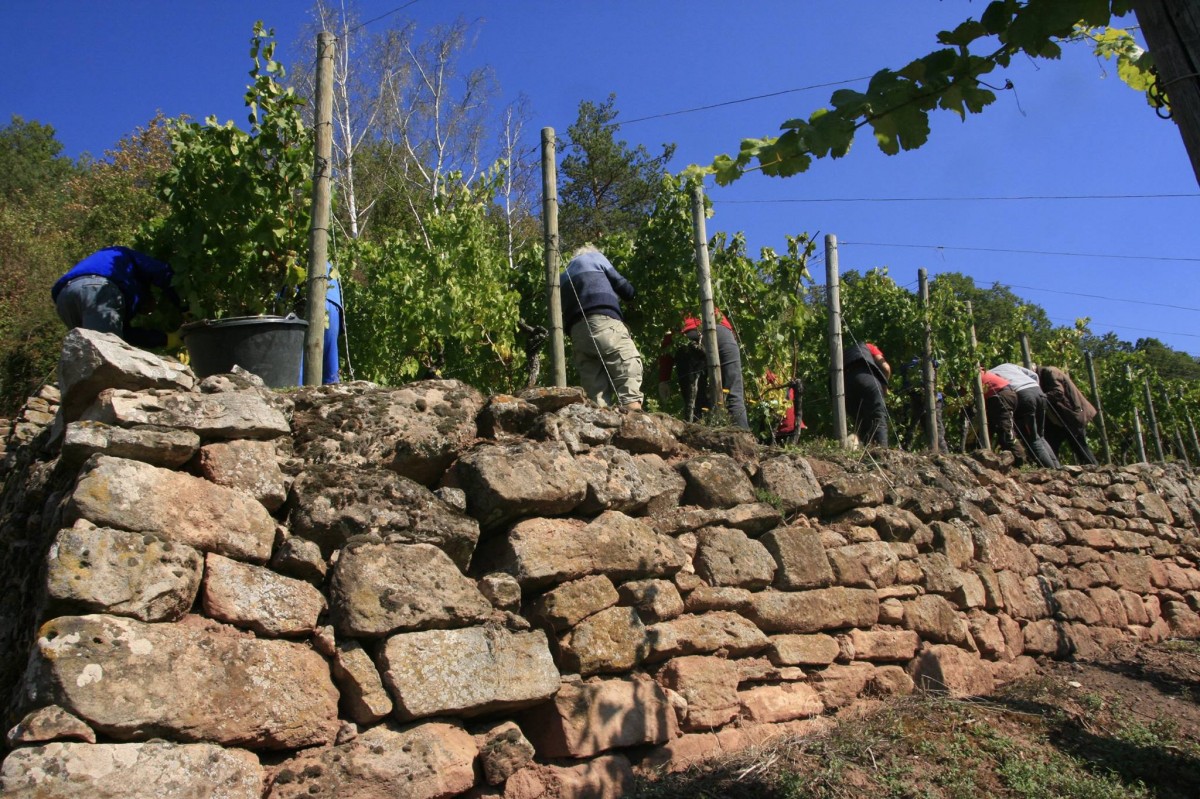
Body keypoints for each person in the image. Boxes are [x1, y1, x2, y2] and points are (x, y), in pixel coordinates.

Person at [560, 245, 643, 410]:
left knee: (595, 393)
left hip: (577, 333)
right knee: (627, 368)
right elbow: (625, 289)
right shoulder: (594, 257)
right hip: (604, 323)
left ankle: (601, 421)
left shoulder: (563, 276)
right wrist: (632, 296)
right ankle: (634, 413)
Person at [51, 246, 182, 348]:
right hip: (98, 289)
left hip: (64, 297)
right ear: (147, 295)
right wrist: (183, 306)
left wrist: (166, 340)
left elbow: (125, 334)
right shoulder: (126, 258)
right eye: (147, 309)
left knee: (87, 353)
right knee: (105, 352)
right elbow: (162, 272)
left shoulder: (115, 264)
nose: (146, 313)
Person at [657, 309, 750, 429]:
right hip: (723, 335)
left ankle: (698, 437)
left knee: (695, 403)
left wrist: (664, 379)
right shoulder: (714, 309)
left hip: (689, 336)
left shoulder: (677, 308)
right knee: (734, 397)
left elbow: (668, 340)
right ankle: (742, 436)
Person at [988, 362, 1060, 468]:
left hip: (1023, 396)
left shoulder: (990, 373)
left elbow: (1002, 388)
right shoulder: (1008, 365)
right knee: (1040, 436)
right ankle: (1058, 467)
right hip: (1038, 392)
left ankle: (1051, 470)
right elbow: (1033, 375)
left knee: (1032, 439)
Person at [1037, 364, 1098, 465]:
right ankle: (1054, 471)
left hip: (1073, 416)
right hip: (1060, 419)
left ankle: (1095, 470)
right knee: (1051, 446)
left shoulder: (1050, 372)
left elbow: (1058, 392)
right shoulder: (1044, 375)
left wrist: (1038, 397)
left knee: (1079, 447)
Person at [843, 341, 891, 447]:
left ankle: (865, 450)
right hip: (867, 379)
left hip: (845, 385)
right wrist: (884, 386)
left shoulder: (843, 353)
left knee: (861, 421)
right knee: (878, 417)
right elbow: (886, 368)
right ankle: (882, 451)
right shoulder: (869, 346)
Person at [899, 355, 949, 453]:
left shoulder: (931, 355)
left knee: (937, 428)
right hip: (915, 396)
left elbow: (937, 368)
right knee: (913, 426)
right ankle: (906, 452)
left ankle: (943, 453)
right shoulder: (908, 359)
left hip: (934, 397)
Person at [981, 368, 1022, 458]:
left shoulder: (971, 375)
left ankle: (1019, 459)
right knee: (999, 430)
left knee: (1006, 432)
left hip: (1000, 397)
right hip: (1005, 394)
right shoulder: (982, 372)